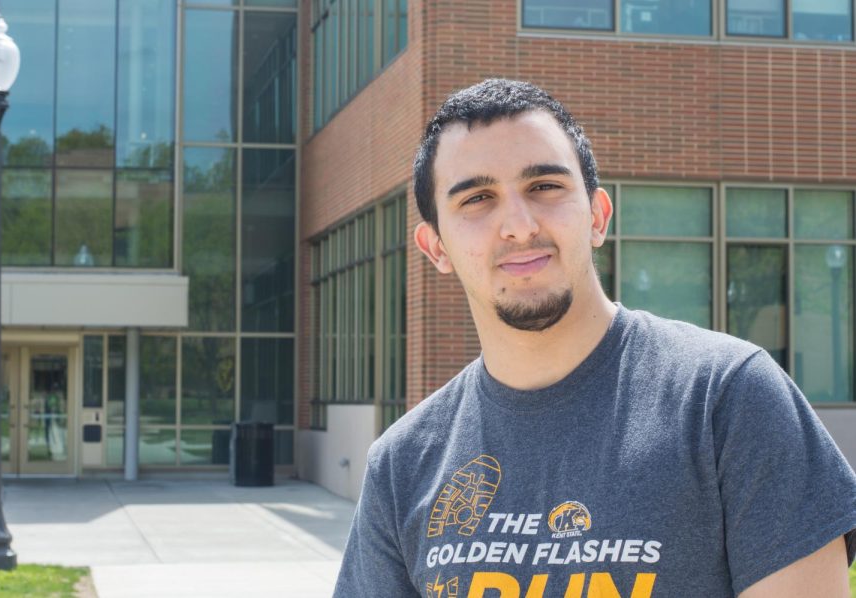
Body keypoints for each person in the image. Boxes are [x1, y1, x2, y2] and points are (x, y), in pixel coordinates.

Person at [333, 79, 856, 597]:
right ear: (436, 248)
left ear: (598, 216)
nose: (518, 224)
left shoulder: (728, 399)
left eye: (544, 187)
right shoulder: (402, 465)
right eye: (477, 198)